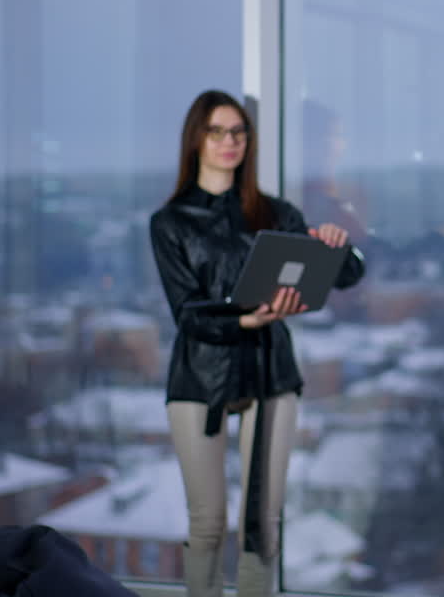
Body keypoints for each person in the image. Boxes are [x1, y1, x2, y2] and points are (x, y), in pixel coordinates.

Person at [150, 90, 365, 597]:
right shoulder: (170, 222)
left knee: (262, 524)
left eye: (238, 132)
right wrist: (248, 319)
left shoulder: (275, 212)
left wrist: (339, 246)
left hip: (271, 373)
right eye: (217, 131)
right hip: (200, 375)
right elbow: (188, 313)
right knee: (206, 523)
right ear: (196, 140)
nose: (230, 142)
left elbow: (348, 276)